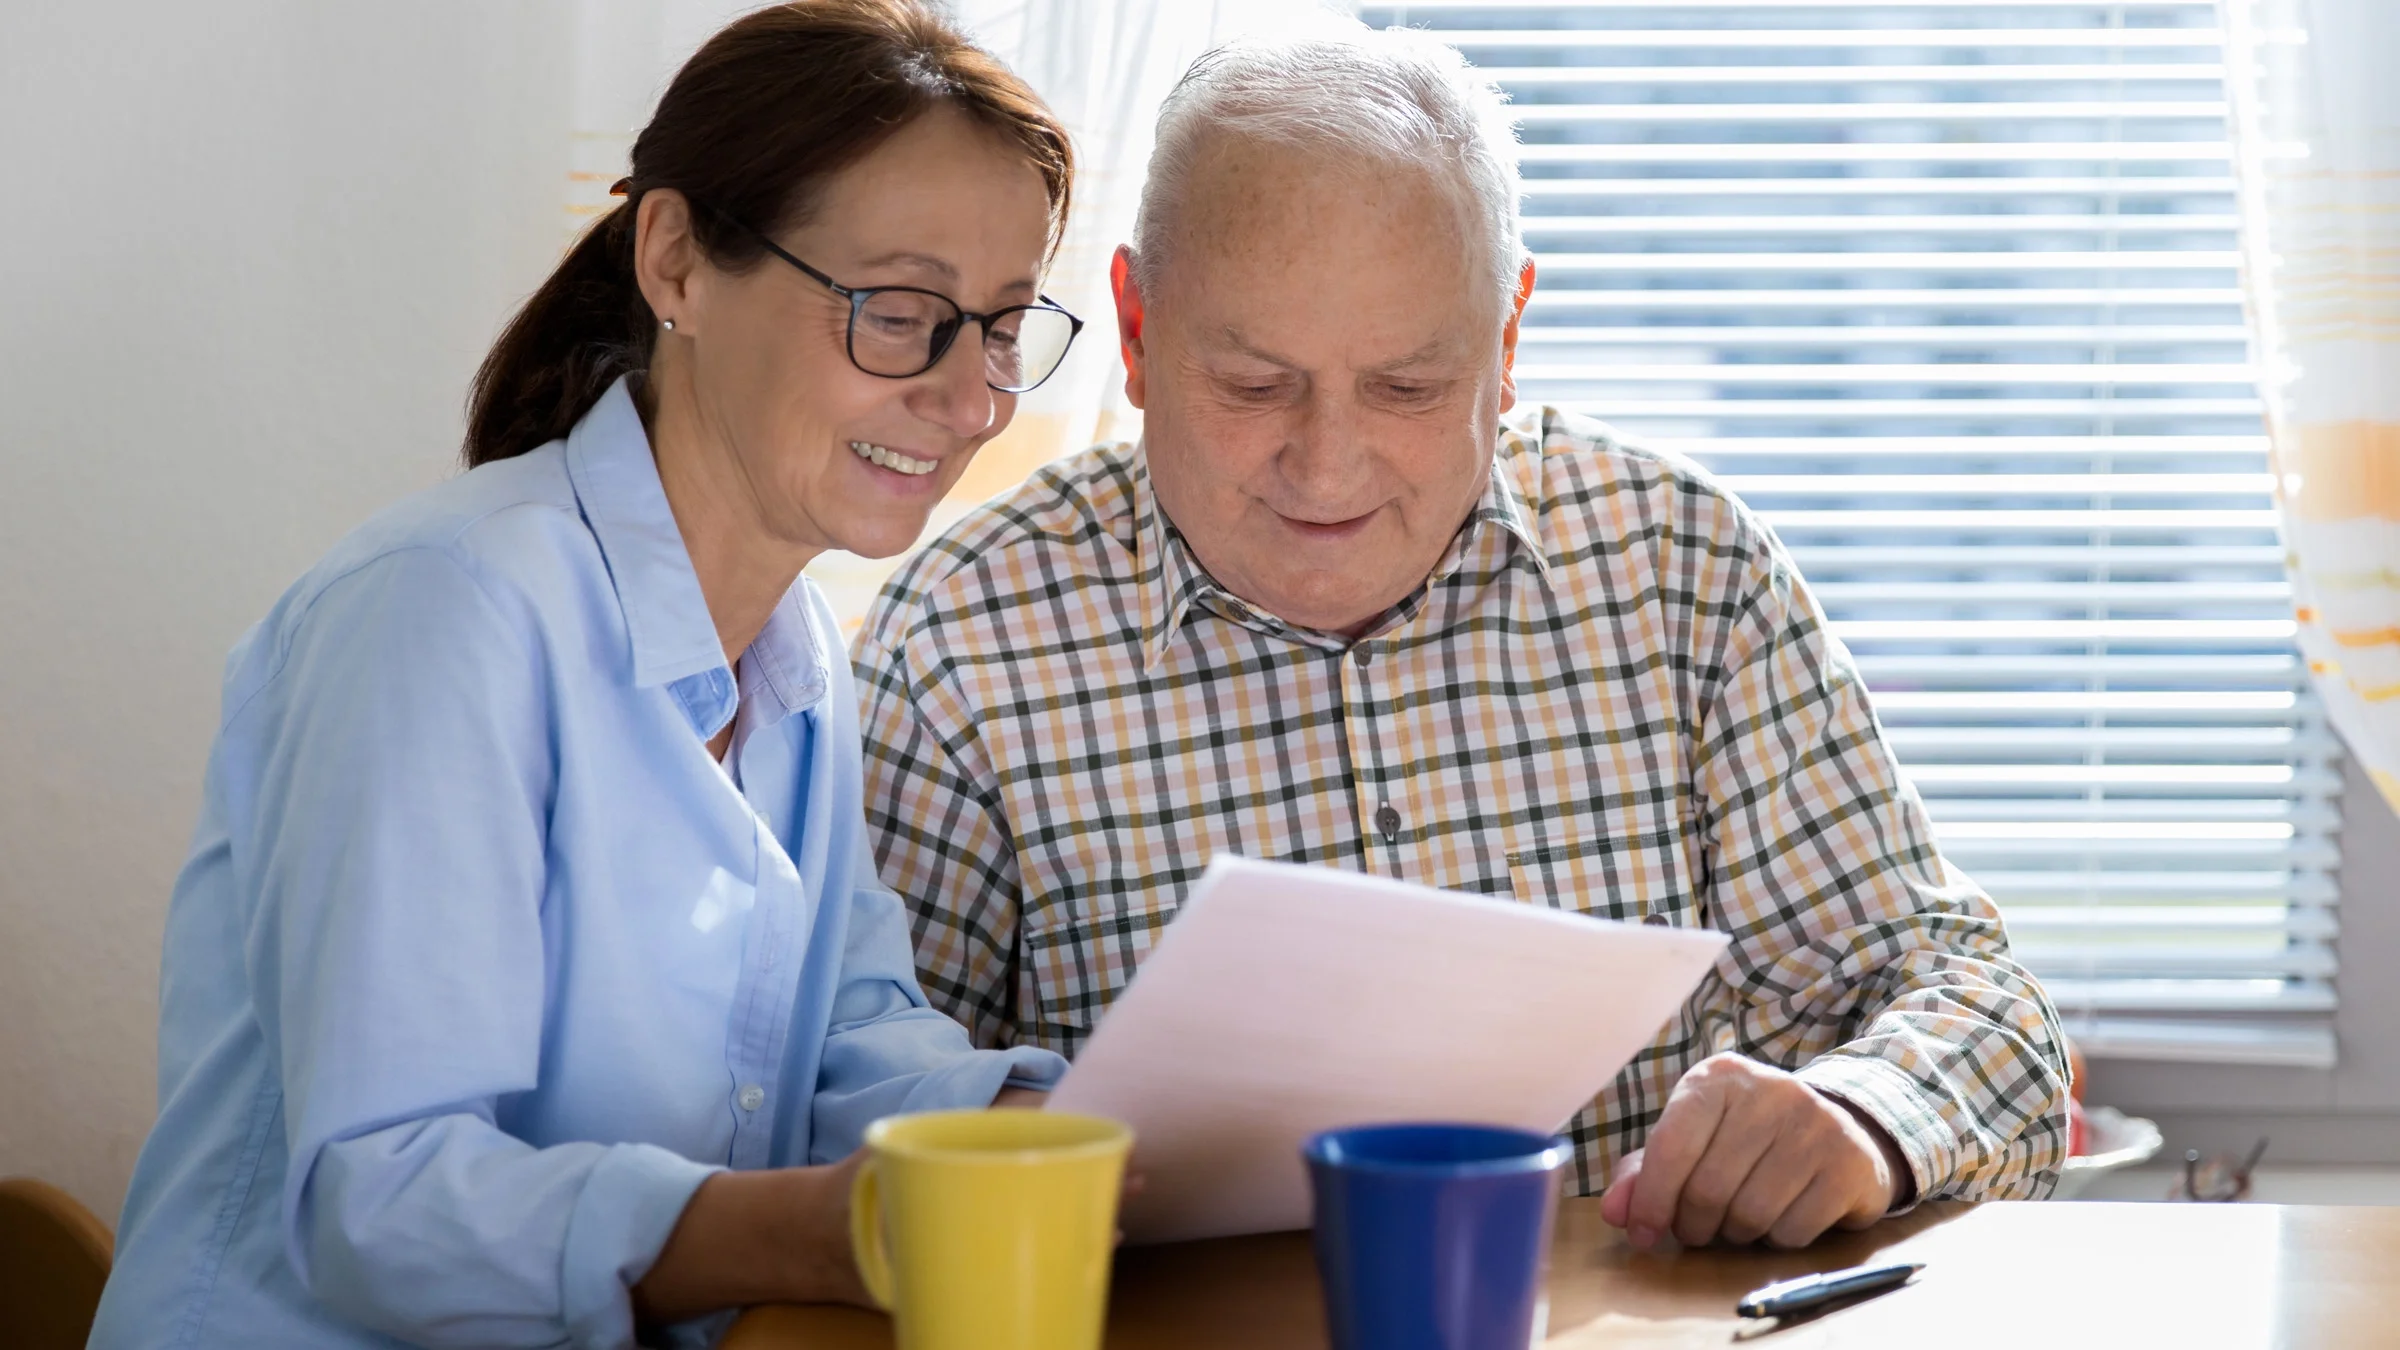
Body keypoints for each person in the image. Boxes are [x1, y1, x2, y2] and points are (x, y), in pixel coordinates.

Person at [856, 25, 2071, 1253]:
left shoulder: (1680, 571)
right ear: (1134, 331)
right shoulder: (961, 639)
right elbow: (842, 1118)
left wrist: (1861, 1121)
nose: (1326, 467)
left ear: (1505, 342)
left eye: (1408, 388)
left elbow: (1982, 1005)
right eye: (1254, 384)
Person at [88, 4, 1086, 1347]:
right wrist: (807, 1225)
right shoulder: (449, 614)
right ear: (674, 259)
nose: (971, 401)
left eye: (1003, 326)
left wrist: (1052, 1127)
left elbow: (847, 1031)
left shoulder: (800, 667)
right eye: (900, 314)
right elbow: (380, 1201)